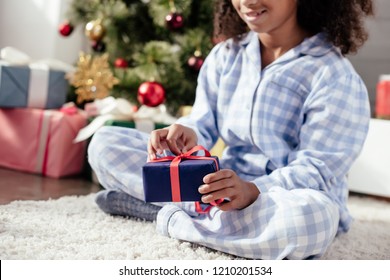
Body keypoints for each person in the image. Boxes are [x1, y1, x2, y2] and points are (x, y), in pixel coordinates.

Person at [88, 0, 374, 259]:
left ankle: (167, 213)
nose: (247, 2)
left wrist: (252, 191)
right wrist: (184, 133)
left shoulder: (333, 75)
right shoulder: (226, 55)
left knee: (312, 221)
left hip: (285, 195)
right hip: (221, 182)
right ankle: (214, 220)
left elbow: (317, 171)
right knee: (104, 143)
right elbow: (201, 122)